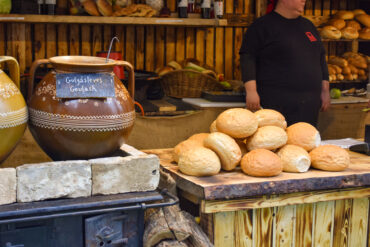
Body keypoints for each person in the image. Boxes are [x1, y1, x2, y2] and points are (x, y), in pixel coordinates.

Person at [239, 0, 330, 126]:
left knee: (305, 141)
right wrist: (251, 91)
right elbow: (247, 58)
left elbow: (321, 57)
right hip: (276, 101)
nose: (304, 0)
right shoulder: (261, 26)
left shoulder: (309, 26)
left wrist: (325, 90)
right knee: (275, 142)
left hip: (309, 103)